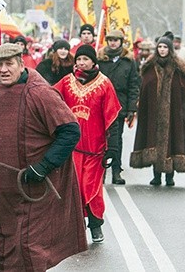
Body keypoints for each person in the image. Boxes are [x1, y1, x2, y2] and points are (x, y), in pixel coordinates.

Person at [0, 43, 86, 271]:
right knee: (4, 245)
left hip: (33, 188)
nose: (3, 70)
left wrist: (43, 166)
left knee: (29, 249)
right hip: (3, 190)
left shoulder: (41, 93)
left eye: (9, 64)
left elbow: (70, 131)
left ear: (20, 64)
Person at [54, 45, 121, 242]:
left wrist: (113, 148)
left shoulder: (104, 84)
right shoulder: (67, 82)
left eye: (85, 59)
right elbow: (50, 99)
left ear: (93, 62)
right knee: (72, 189)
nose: (81, 63)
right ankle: (75, 227)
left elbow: (112, 118)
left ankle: (95, 225)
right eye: (79, 59)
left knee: (90, 189)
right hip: (71, 148)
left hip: (95, 151)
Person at [130, 32, 185, 186]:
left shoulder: (178, 68)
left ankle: (170, 176)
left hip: (173, 113)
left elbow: (182, 91)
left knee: (173, 140)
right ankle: (156, 175)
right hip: (153, 113)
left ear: (170, 49)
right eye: (160, 47)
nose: (162, 50)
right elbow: (145, 88)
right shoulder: (149, 68)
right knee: (153, 140)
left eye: (165, 47)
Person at [96, 30, 140, 185]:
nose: (113, 43)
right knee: (100, 139)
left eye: (116, 40)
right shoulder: (100, 59)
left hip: (119, 105)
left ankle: (116, 170)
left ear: (121, 41)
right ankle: (100, 172)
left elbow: (133, 85)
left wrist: (131, 109)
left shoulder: (128, 61)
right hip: (101, 104)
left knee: (116, 140)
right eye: (110, 40)